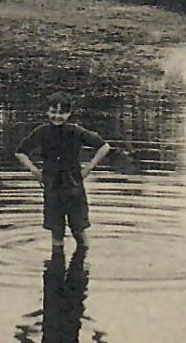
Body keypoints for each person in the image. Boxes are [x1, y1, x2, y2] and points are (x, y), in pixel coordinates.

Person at [13, 94, 112, 252]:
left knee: (79, 229)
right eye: (53, 112)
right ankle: (56, 269)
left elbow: (104, 146)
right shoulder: (42, 132)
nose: (57, 117)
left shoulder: (76, 131)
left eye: (62, 113)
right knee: (56, 231)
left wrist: (88, 168)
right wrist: (34, 171)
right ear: (47, 112)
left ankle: (82, 263)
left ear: (69, 114)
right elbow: (20, 152)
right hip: (52, 186)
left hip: (73, 185)